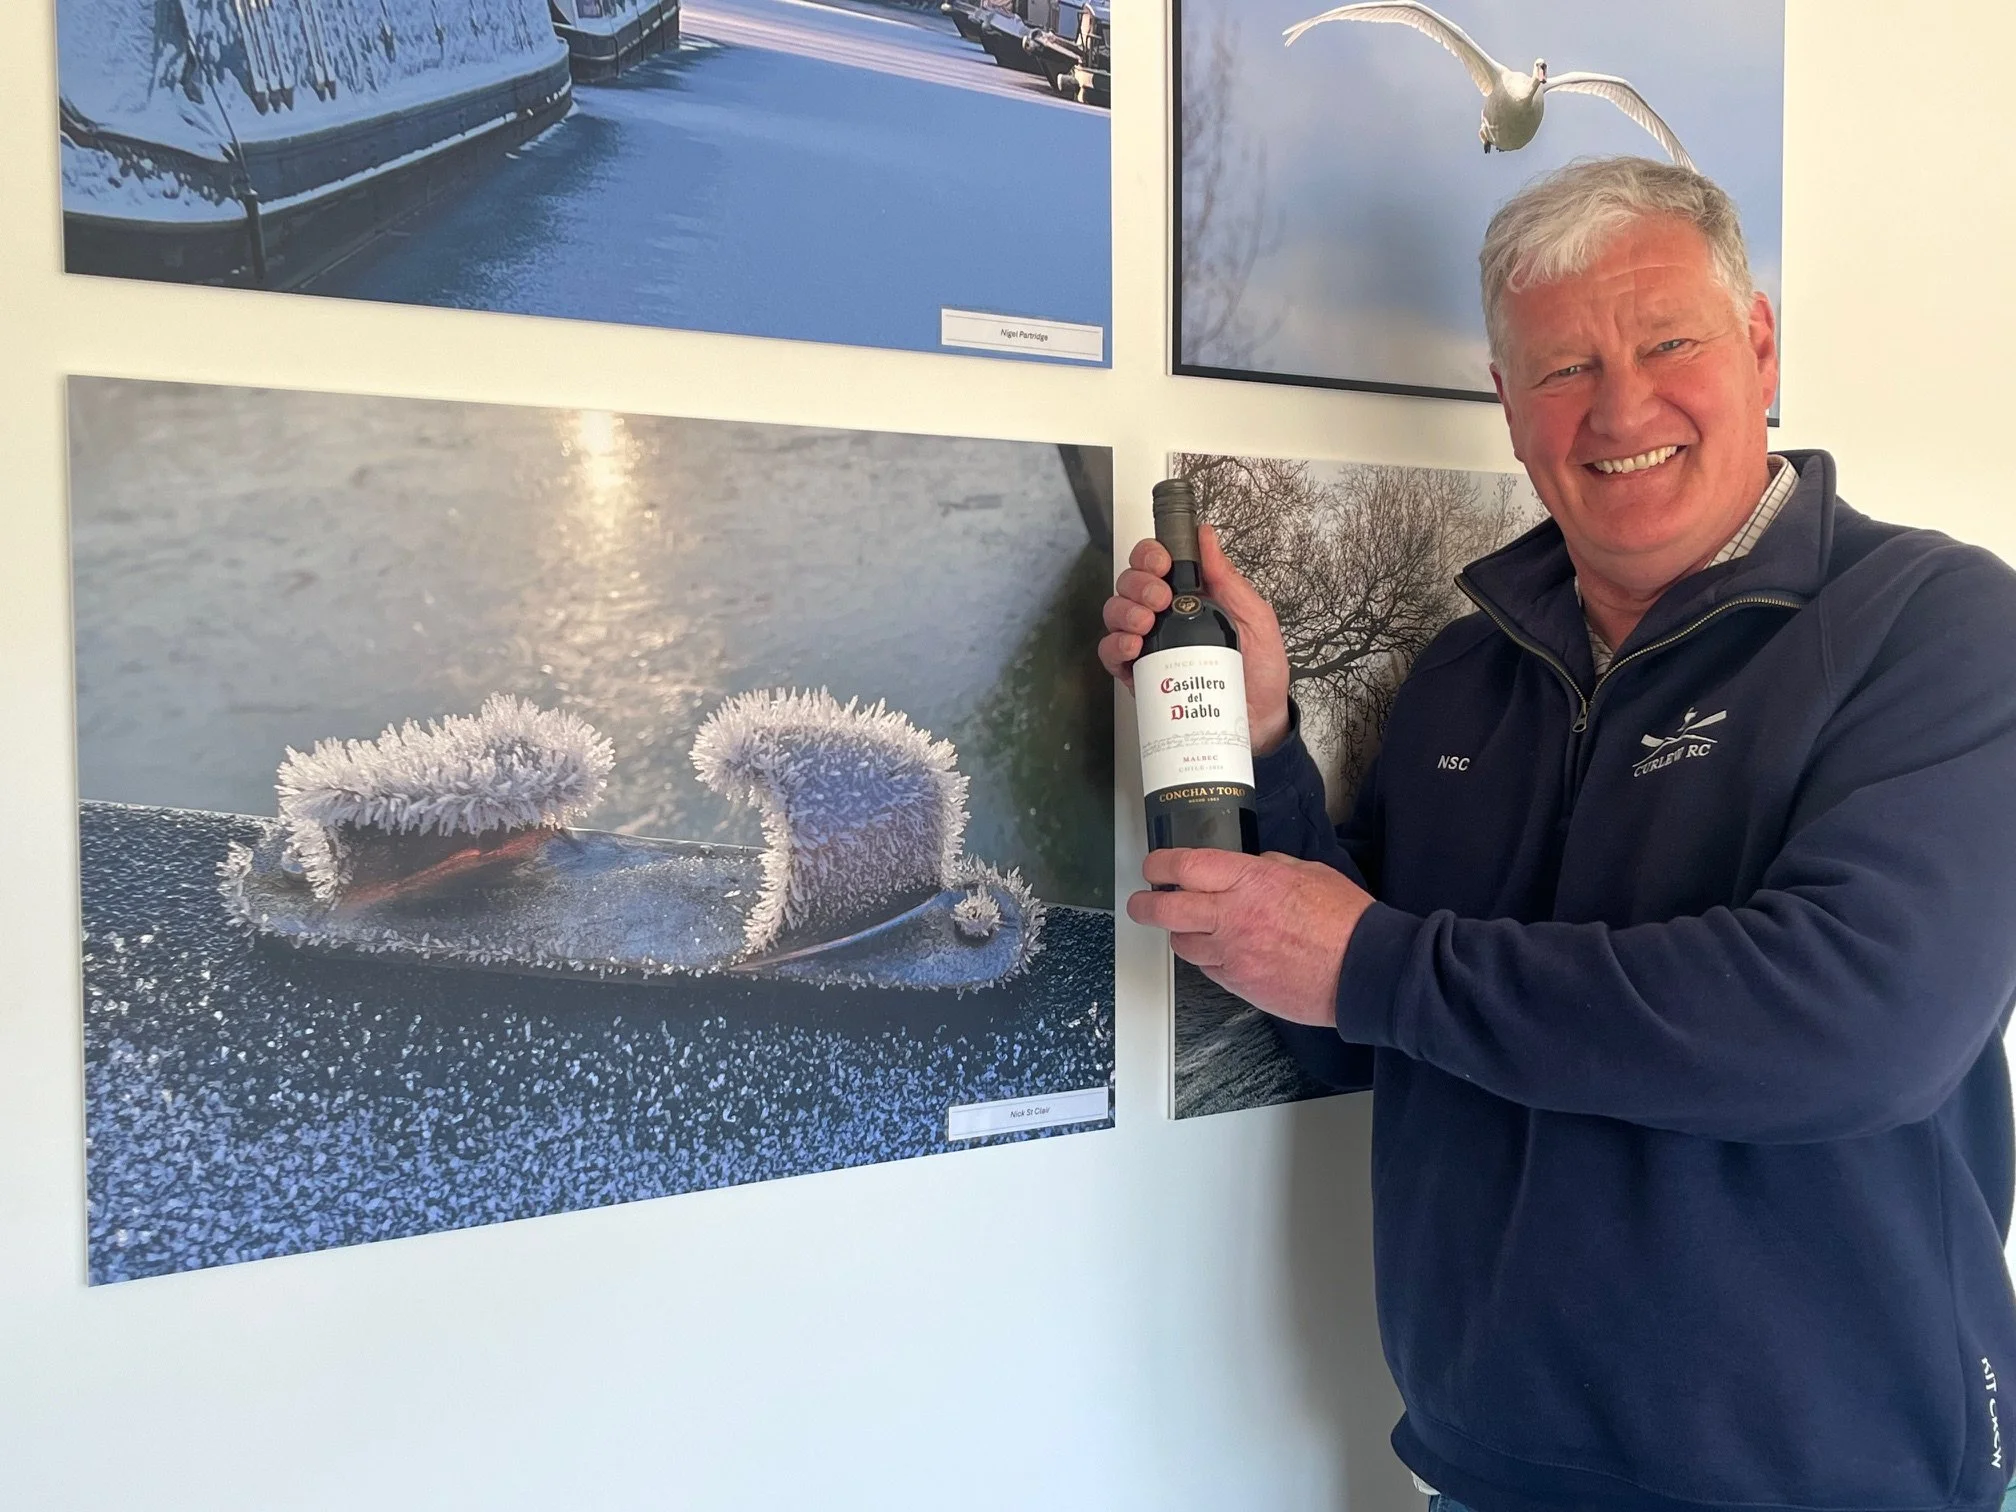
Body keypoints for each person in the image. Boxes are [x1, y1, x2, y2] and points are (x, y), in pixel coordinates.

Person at [1102, 156, 2016, 1512]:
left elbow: (1859, 1025)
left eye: (1667, 342)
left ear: (1760, 348)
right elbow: (1360, 1008)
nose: (1622, 405)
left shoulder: (1937, 625)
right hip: (1484, 1468)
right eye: (1563, 368)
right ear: (1510, 407)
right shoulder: (1467, 677)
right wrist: (1262, 749)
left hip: (1833, 1477)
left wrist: (1376, 967)